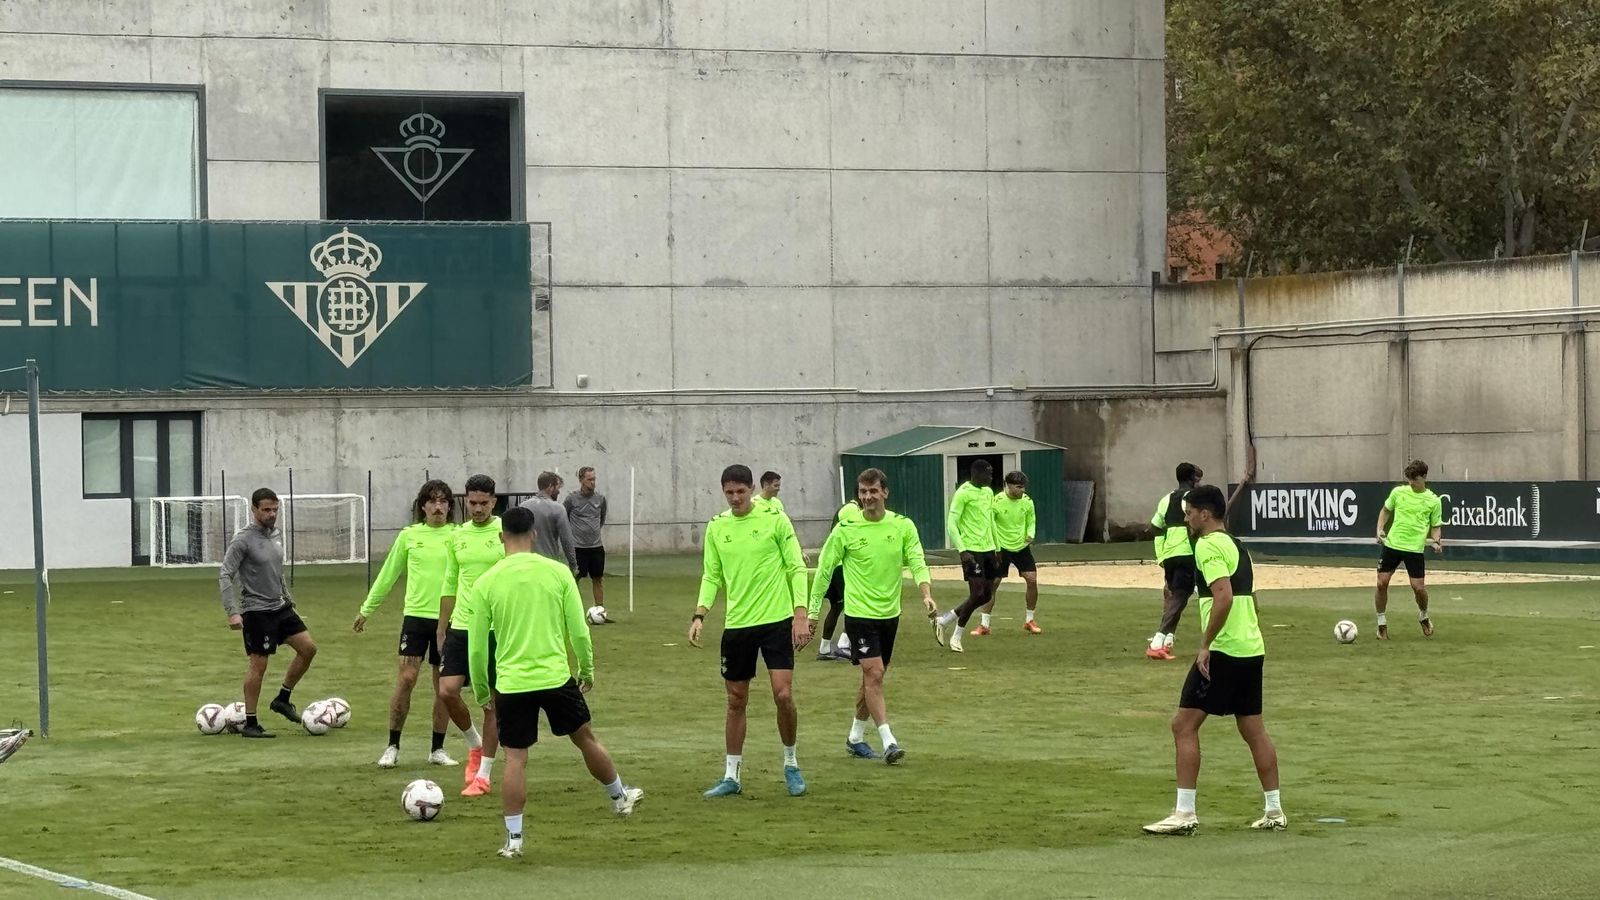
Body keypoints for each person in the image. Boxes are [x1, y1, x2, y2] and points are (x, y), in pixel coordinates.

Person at [468, 506, 643, 860]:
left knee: (515, 759)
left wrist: (483, 689)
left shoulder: (486, 582)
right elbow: (578, 630)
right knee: (585, 738)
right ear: (533, 535)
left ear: (501, 537)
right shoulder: (558, 572)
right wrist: (587, 669)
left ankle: (514, 840)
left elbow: (476, 646)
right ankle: (619, 797)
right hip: (555, 678)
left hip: (512, 684)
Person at [1143, 484, 1284, 835]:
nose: (1186, 519)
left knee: (1183, 725)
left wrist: (1205, 644)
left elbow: (1224, 597)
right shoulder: (1237, 545)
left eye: (1190, 513)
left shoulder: (1207, 546)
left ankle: (1184, 813)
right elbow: (1251, 600)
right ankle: (1274, 810)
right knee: (1253, 729)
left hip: (1224, 649)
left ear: (1205, 514)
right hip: (1250, 647)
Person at [688, 464, 811, 798]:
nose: (735, 498)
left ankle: (791, 763)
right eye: (729, 492)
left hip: (776, 621)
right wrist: (700, 614)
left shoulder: (775, 519)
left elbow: (796, 567)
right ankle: (732, 775)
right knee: (735, 700)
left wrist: (800, 614)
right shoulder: (717, 526)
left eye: (741, 491)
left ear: (752, 489)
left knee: (783, 695)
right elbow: (712, 574)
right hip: (738, 626)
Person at [806, 468, 936, 764]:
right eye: (863, 492)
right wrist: (812, 613)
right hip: (859, 616)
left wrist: (926, 593)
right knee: (874, 674)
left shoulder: (902, 526)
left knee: (873, 678)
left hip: (890, 615)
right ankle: (889, 741)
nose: (867, 497)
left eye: (873, 491)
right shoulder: (846, 529)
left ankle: (855, 737)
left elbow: (917, 561)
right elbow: (824, 571)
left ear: (885, 492)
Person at [355, 480, 458, 769]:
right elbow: (388, 574)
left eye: (443, 501)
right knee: (407, 679)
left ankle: (437, 749)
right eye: (432, 501)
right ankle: (392, 746)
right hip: (415, 618)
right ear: (422, 506)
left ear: (450, 506)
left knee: (443, 686)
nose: (438, 507)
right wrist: (367, 609)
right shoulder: (409, 536)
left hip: (449, 619)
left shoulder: (459, 535)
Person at [218, 488, 318, 739]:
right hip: (256, 612)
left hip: (280, 608)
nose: (271, 514)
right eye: (266, 510)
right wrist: (232, 612)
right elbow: (225, 574)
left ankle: (282, 699)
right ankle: (250, 723)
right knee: (258, 665)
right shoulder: (243, 539)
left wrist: (287, 598)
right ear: (254, 509)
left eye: (275, 509)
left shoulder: (276, 534)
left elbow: (277, 571)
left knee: (308, 649)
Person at [439, 474, 504, 797]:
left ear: (493, 502)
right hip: (462, 625)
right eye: (472, 502)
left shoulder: (504, 532)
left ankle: (484, 775)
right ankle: (474, 745)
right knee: (447, 691)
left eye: (483, 503)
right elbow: (450, 580)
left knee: (491, 702)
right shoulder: (458, 535)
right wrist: (442, 625)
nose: (477, 509)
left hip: (495, 629)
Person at [932, 460, 999, 652]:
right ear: (976, 474)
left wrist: (998, 547)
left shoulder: (988, 492)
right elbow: (952, 524)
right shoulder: (962, 493)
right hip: (971, 550)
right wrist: (962, 550)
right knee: (977, 593)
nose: (991, 478)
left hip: (989, 550)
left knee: (986, 595)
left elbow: (991, 521)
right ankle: (956, 636)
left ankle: (945, 620)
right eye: (988, 474)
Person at [1375, 459, 1444, 639]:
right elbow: (1385, 510)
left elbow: (1435, 526)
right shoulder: (1398, 492)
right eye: (1409, 479)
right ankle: (1381, 623)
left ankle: (1424, 615)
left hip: (1414, 549)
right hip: (1392, 545)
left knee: (1418, 588)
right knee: (1381, 582)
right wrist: (1380, 529)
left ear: (1424, 477)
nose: (1412, 483)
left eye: (1415, 479)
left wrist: (1436, 541)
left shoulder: (1434, 501)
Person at [1148, 463, 1204, 660]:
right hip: (1187, 553)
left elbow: (1155, 526)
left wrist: (1161, 553)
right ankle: (1157, 642)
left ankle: (1167, 640)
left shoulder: (1166, 499)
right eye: (1197, 479)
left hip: (1170, 554)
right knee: (1180, 596)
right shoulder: (1193, 499)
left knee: (1176, 598)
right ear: (1191, 478)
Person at [980, 471, 1039, 634]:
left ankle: (1030, 620)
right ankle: (984, 625)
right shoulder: (996, 502)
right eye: (1019, 487)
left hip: (1021, 547)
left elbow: (1031, 520)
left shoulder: (1027, 501)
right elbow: (989, 523)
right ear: (1008, 485)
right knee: (993, 584)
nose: (1022, 490)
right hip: (1001, 548)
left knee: (1032, 580)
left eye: (1024, 487)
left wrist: (1030, 534)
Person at [814, 500, 860, 661]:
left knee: (837, 606)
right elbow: (853, 533)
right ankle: (844, 644)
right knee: (854, 605)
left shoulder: (845, 508)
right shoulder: (852, 509)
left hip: (833, 565)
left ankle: (824, 649)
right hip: (840, 566)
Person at [564, 466, 609, 612]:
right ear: (581, 480)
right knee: (575, 578)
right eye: (589, 479)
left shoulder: (600, 499)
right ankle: (573, 610)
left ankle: (600, 610)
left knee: (598, 578)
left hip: (596, 547)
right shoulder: (571, 499)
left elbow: (602, 518)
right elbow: (564, 518)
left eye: (594, 479)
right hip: (578, 547)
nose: (593, 482)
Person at [519, 471, 578, 573]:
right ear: (550, 486)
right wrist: (573, 565)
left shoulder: (523, 506)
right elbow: (566, 540)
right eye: (558, 488)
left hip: (527, 564)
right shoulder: (558, 509)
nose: (559, 492)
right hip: (549, 564)